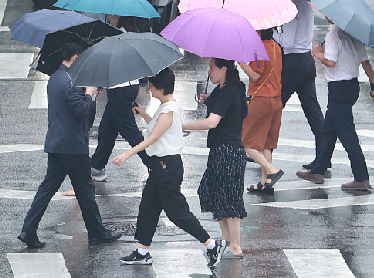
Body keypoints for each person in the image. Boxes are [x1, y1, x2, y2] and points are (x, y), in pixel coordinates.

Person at [113, 68, 223, 268]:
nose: (150, 91)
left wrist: (127, 154)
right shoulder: (166, 106)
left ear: (161, 87)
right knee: (148, 207)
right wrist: (143, 112)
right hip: (160, 166)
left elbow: (154, 137)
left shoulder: (169, 109)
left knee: (177, 212)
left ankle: (212, 244)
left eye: (153, 87)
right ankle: (142, 251)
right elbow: (157, 128)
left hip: (167, 166)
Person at [19, 42, 122, 248]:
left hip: (57, 142)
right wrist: (90, 94)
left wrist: (88, 96)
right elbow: (84, 112)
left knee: (48, 188)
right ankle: (96, 232)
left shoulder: (56, 78)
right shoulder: (71, 81)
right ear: (75, 58)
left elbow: (79, 110)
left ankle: (29, 229)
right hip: (72, 146)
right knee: (85, 189)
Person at [296, 20, 374, 190]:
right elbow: (365, 62)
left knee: (347, 135)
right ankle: (318, 170)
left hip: (338, 88)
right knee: (328, 130)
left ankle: (361, 178)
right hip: (351, 86)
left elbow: (331, 62)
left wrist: (318, 54)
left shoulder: (333, 35)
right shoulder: (357, 32)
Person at [183, 58, 246, 257]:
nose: (209, 71)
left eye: (212, 68)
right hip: (220, 149)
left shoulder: (230, 90)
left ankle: (234, 245)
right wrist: (209, 100)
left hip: (228, 150)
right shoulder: (224, 89)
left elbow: (212, 122)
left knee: (230, 199)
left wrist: (182, 126)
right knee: (209, 192)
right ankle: (227, 239)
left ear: (224, 69)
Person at [274, 0, 327, 174]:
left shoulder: (291, 10)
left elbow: (287, 43)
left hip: (293, 63)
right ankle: (323, 158)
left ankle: (261, 150)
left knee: (273, 105)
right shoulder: (306, 6)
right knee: (313, 112)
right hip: (306, 60)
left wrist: (273, 32)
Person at [240, 28, 285, 193]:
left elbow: (256, 75)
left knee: (247, 142)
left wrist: (242, 63)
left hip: (261, 99)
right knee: (267, 144)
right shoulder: (276, 46)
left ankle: (271, 171)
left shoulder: (259, 48)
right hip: (276, 99)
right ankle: (265, 182)